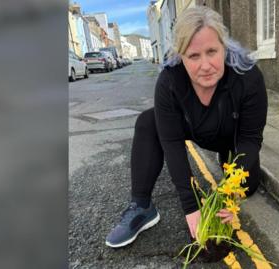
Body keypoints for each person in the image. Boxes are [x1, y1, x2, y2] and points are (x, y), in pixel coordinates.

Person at [105, 6, 267, 248]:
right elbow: (172, 145)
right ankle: (141, 206)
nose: (206, 65)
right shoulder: (169, 81)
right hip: (193, 128)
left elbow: (251, 139)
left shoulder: (249, 77)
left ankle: (226, 164)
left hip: (232, 138)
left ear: (224, 47)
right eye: (193, 56)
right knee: (148, 121)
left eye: (212, 51)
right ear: (181, 56)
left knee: (249, 186)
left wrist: (228, 195)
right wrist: (191, 206)